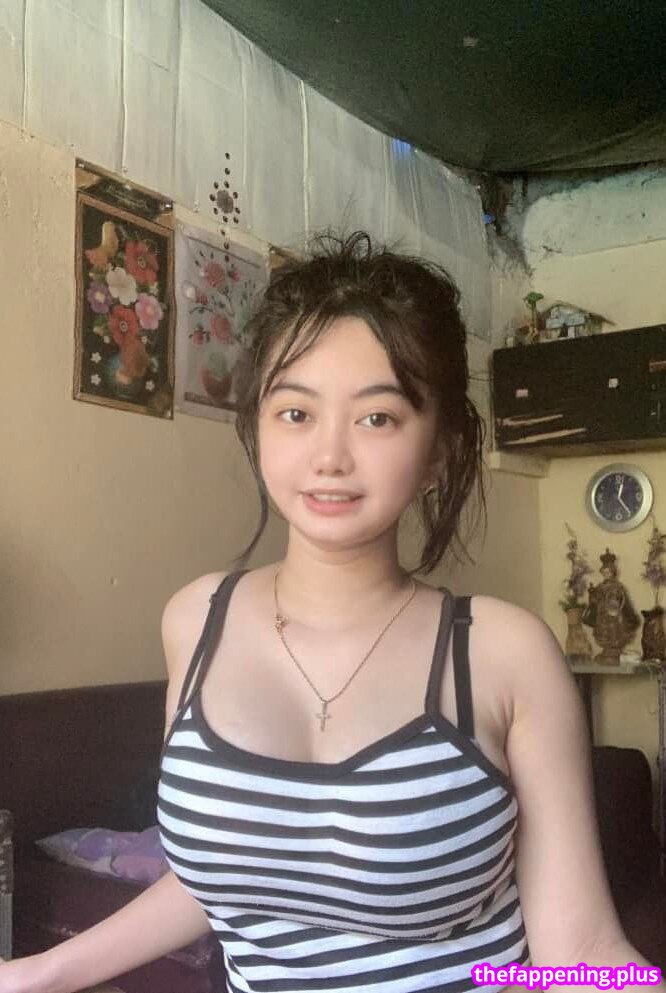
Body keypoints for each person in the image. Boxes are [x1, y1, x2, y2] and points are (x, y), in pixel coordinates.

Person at [1, 231, 662, 993]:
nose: (329, 456)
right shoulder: (196, 621)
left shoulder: (504, 653)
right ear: (256, 427)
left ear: (440, 450)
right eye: (295, 412)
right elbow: (222, 879)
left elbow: (581, 946)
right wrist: (39, 972)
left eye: (377, 418)